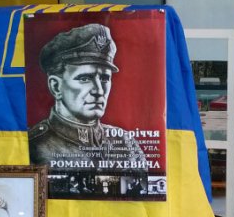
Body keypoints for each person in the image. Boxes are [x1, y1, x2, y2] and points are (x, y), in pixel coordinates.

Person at [28, 23, 146, 170]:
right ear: (56, 86)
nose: (99, 90)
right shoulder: (35, 147)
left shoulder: (125, 143)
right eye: (85, 78)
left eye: (104, 78)